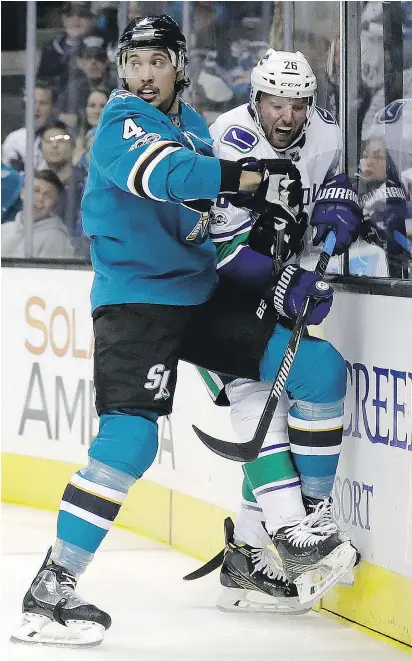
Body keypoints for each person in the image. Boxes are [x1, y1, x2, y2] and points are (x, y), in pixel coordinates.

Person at [11, 18, 359, 648]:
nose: (143, 74)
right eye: (134, 61)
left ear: (180, 65)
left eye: (157, 61)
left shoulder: (196, 127)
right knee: (129, 444)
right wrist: (250, 178)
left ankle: (299, 539)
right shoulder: (119, 122)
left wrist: (279, 265)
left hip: (201, 297)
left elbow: (218, 230)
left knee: (319, 369)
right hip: (137, 305)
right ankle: (53, 588)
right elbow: (163, 176)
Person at [193, 49, 362, 613]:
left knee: (275, 395)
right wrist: (283, 276)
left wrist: (339, 206)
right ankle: (297, 532)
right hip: (213, 297)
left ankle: (248, 549)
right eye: (274, 104)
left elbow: (322, 207)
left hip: (272, 288)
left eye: (296, 105)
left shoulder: (327, 137)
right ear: (254, 101)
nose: (285, 117)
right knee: (259, 388)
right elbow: (212, 245)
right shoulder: (227, 141)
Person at [1, 169, 75, 259]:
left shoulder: (56, 238)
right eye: (36, 191)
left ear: (54, 204)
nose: (40, 198)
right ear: (22, 193)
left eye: (48, 195)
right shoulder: (4, 230)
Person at [39, 120, 86, 237]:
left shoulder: (86, 183)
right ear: (40, 148)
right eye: (49, 140)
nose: (54, 145)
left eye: (61, 140)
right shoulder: (32, 184)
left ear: (73, 145)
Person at [57, 35, 116, 128]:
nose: (93, 61)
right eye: (88, 57)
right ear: (79, 61)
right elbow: (62, 117)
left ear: (106, 62)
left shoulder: (116, 88)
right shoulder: (71, 90)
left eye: (99, 57)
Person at [37, 2, 98, 91]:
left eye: (82, 15)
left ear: (90, 19)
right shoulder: (51, 49)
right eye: (69, 15)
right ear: (63, 19)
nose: (75, 21)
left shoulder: (99, 47)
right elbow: (42, 82)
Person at [1, 80, 57, 172]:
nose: (37, 108)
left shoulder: (60, 138)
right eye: (33, 102)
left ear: (52, 108)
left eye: (43, 103)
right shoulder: (14, 139)